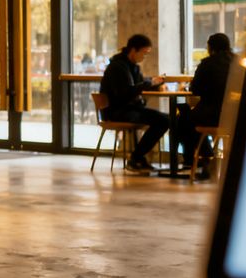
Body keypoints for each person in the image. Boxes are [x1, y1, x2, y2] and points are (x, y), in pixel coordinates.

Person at [98, 33, 168, 173]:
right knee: (163, 120)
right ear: (133, 50)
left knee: (165, 119)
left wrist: (155, 85)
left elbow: (140, 84)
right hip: (117, 112)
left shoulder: (132, 66)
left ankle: (138, 157)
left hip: (128, 109)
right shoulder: (118, 67)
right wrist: (149, 83)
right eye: (144, 53)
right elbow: (126, 92)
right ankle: (136, 157)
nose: (144, 57)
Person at [176, 33, 236, 173]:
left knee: (182, 118)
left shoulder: (207, 63)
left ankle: (195, 160)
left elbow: (195, 89)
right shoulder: (240, 62)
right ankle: (205, 157)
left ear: (210, 47)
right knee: (188, 117)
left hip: (212, 115)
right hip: (235, 117)